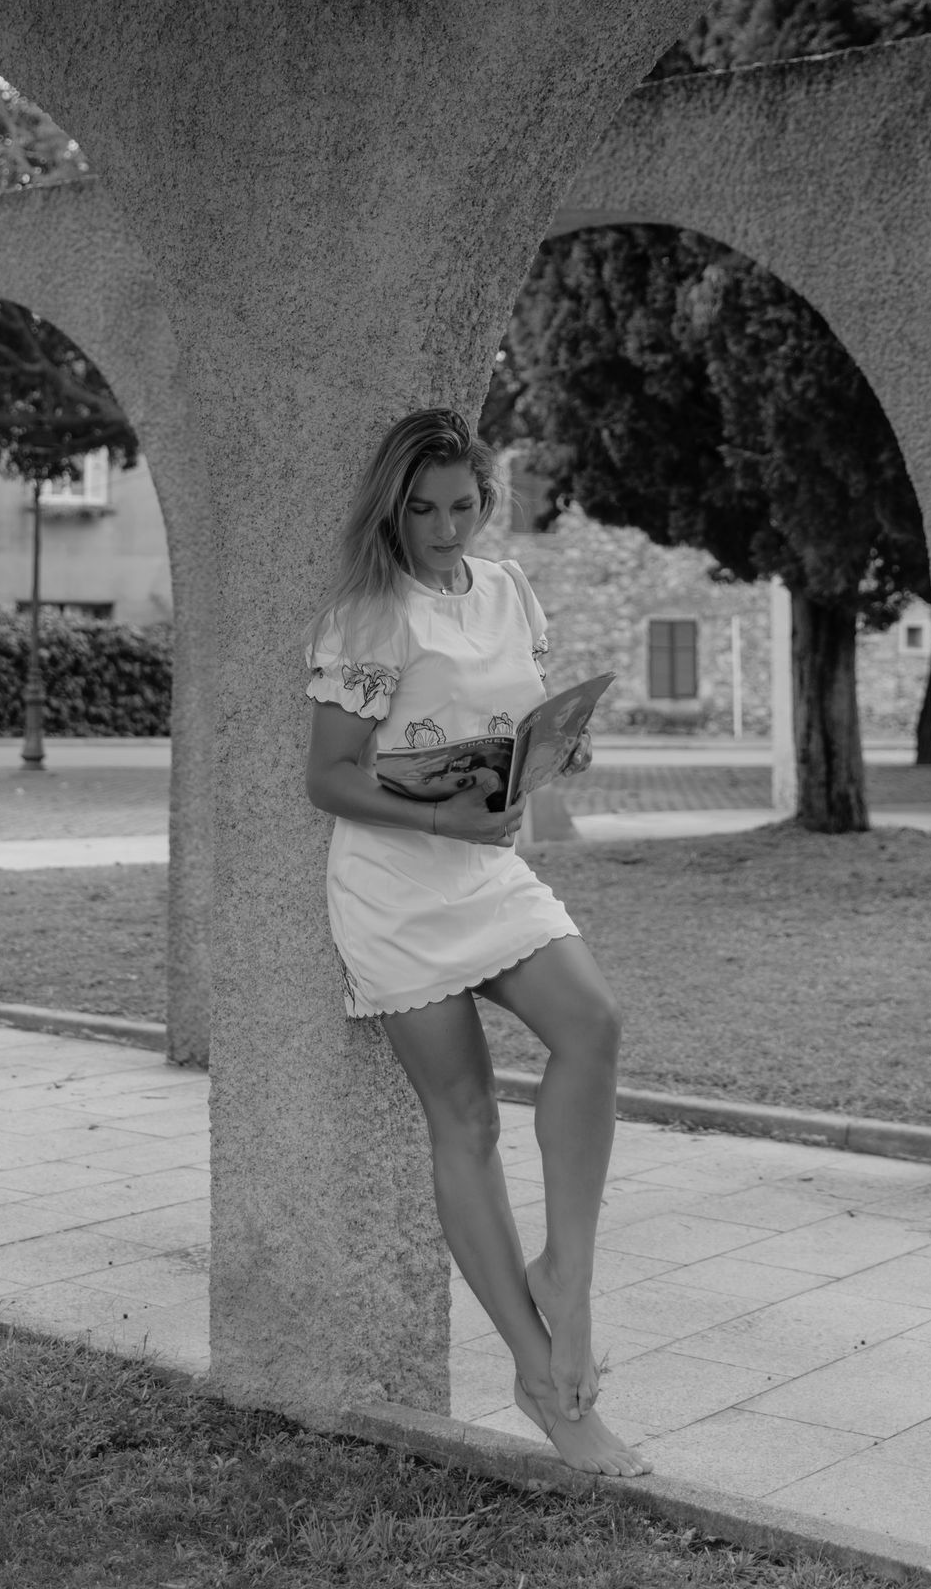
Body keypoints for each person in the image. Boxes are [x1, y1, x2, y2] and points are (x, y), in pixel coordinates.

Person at [303, 407, 649, 1478]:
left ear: (485, 502)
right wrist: (445, 816)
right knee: (466, 1116)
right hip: (396, 888)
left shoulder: (508, 591)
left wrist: (558, 755)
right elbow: (329, 778)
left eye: (462, 506)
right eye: (423, 509)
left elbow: (519, 722)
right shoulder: (368, 616)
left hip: (488, 871)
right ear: (392, 509)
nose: (445, 529)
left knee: (592, 1023)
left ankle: (566, 1274)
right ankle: (545, 1384)